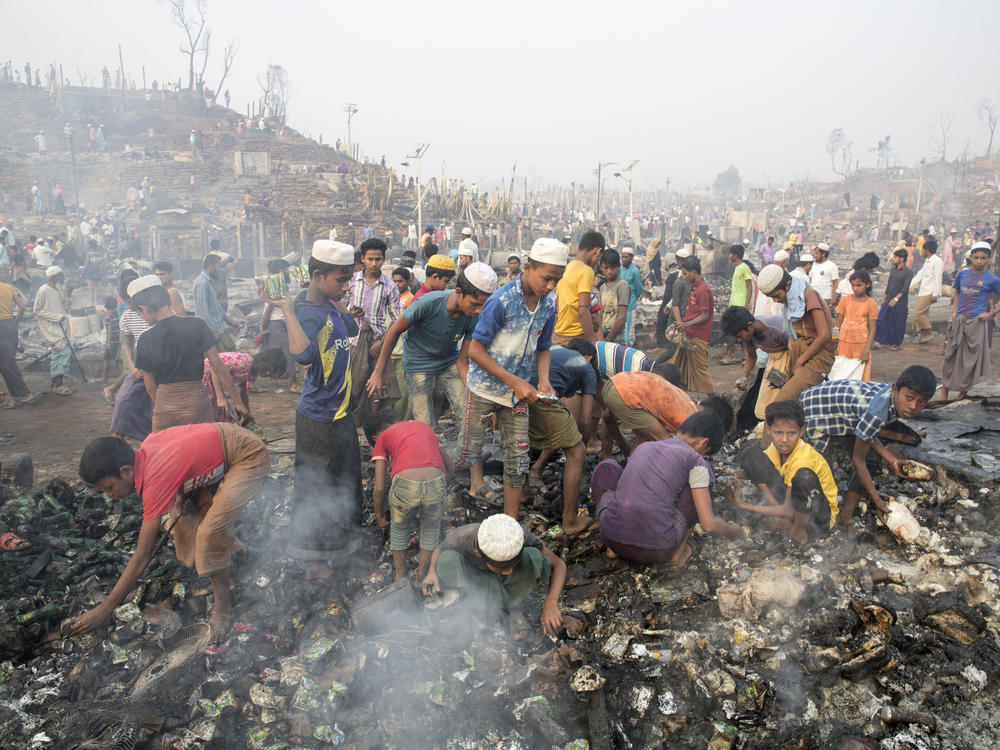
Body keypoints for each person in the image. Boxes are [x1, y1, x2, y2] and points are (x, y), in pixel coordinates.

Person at [72, 423, 270, 642]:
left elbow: (142, 554)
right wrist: (181, 496)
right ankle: (231, 548)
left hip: (247, 456)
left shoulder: (155, 480)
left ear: (126, 471)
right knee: (182, 513)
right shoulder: (146, 449)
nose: (110, 495)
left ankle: (223, 607)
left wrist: (106, 608)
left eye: (108, 487)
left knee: (209, 533)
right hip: (224, 451)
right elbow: (182, 463)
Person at [460, 238, 566, 517]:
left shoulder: (548, 307)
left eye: (557, 280)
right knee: (471, 446)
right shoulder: (501, 301)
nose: (551, 286)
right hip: (484, 388)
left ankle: (510, 518)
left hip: (517, 395)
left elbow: (543, 347)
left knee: (518, 458)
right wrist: (516, 381)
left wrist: (543, 380)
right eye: (547, 279)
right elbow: (475, 350)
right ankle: (474, 485)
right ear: (528, 267)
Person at [279, 240, 360, 580]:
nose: (346, 287)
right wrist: (286, 310)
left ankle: (340, 550)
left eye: (348, 281)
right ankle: (314, 562)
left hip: (340, 415)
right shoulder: (306, 314)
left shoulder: (329, 308)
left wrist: (337, 302)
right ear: (317, 274)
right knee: (316, 488)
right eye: (341, 280)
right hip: (316, 418)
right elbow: (301, 356)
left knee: (345, 483)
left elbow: (353, 329)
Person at [592, 412, 742, 564]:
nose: (702, 456)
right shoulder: (696, 460)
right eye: (705, 452)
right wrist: (733, 531)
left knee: (607, 466)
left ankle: (613, 547)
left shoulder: (644, 446)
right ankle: (679, 553)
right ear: (703, 443)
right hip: (656, 549)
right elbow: (708, 524)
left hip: (610, 536)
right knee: (700, 481)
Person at [801, 365, 935, 530]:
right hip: (815, 412)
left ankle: (845, 518)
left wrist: (892, 460)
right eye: (909, 398)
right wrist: (875, 498)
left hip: (843, 410)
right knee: (818, 471)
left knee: (872, 461)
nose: (914, 406)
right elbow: (859, 459)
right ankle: (808, 520)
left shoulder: (888, 401)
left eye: (921, 402)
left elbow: (869, 433)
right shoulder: (877, 413)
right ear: (895, 390)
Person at [367, 262, 497, 428]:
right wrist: (378, 371)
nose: (480, 310)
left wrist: (471, 393)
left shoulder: (473, 316)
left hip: (448, 361)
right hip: (418, 363)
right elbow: (394, 331)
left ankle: (466, 453)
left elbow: (463, 361)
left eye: (483, 306)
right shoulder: (427, 304)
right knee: (425, 422)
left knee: (470, 413)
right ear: (459, 292)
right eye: (476, 304)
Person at [129, 276, 248, 431]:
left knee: (167, 450)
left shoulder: (146, 339)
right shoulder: (197, 324)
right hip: (196, 401)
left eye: (140, 314)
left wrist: (165, 404)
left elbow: (150, 387)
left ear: (144, 308)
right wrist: (237, 401)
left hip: (166, 406)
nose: (143, 318)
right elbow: (218, 366)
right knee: (202, 447)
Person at [421, 513, 566, 635]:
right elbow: (439, 549)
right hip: (476, 582)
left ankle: (510, 608)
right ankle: (471, 610)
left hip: (506, 584)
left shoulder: (518, 535)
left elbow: (559, 565)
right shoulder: (461, 536)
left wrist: (551, 602)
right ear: (478, 553)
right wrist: (431, 571)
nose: (509, 571)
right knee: (447, 559)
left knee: (533, 555)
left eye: (512, 565)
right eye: (502, 567)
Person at [730, 400, 838, 544]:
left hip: (818, 518)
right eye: (778, 433)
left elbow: (789, 509)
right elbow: (761, 470)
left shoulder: (803, 460)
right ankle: (778, 513)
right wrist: (729, 474)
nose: (784, 440)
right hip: (792, 501)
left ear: (802, 431)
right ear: (768, 429)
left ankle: (798, 530)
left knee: (804, 477)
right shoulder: (776, 449)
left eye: (792, 433)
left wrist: (744, 505)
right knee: (750, 453)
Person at [365, 409, 449, 582]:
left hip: (405, 487)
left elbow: (379, 487)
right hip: (437, 481)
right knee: (431, 528)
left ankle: (400, 577)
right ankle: (421, 576)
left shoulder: (382, 438)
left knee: (400, 529)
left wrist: (380, 517)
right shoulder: (424, 427)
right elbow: (449, 465)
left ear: (374, 437)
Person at [525, 343, 597, 535]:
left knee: (525, 442)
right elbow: (586, 418)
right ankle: (570, 522)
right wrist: (582, 443)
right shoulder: (588, 369)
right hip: (540, 393)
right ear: (589, 357)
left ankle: (524, 492)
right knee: (577, 452)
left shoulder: (557, 351)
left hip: (517, 386)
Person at [756, 264, 836, 403]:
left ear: (788, 285)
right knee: (796, 401)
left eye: (776, 296)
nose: (775, 300)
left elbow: (823, 335)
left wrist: (800, 361)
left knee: (783, 401)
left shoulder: (808, 294)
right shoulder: (790, 301)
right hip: (801, 350)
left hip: (818, 354)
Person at [940, 242, 1000, 401]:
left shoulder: (992, 279)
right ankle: (944, 393)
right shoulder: (963, 274)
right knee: (950, 356)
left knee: (969, 361)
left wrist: (991, 314)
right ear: (971, 257)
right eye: (976, 257)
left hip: (976, 324)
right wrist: (954, 312)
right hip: (959, 321)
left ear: (988, 259)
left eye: (983, 258)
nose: (979, 261)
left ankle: (962, 393)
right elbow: (958, 291)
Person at [349, 238, 402, 409]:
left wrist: (382, 341)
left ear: (383, 260)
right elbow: (338, 305)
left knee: (381, 391)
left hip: (377, 343)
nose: (374, 263)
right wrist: (349, 313)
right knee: (354, 388)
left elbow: (396, 320)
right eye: (370, 259)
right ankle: (355, 427)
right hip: (353, 342)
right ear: (362, 259)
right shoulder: (351, 281)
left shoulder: (390, 286)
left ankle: (374, 428)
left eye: (377, 259)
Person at [110, 275, 154, 440]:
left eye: (131, 301)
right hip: (140, 369)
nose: (129, 305)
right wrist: (131, 366)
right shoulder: (127, 316)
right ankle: (116, 446)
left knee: (155, 410)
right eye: (127, 302)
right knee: (123, 402)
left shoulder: (153, 312)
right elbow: (126, 344)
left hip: (159, 370)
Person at [670, 256, 714, 394]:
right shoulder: (694, 288)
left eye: (685, 273)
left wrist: (685, 324)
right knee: (676, 368)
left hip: (698, 336)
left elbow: (705, 315)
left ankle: (716, 399)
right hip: (689, 335)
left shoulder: (703, 290)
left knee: (701, 372)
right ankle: (681, 397)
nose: (683, 277)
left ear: (694, 272)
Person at [203, 349, 284, 422]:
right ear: (267, 365)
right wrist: (220, 397)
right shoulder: (242, 363)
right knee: (214, 413)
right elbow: (215, 370)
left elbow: (244, 392)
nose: (270, 375)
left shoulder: (252, 373)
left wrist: (247, 412)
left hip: (214, 382)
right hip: (205, 377)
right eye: (272, 371)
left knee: (225, 414)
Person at [553, 230, 605, 345]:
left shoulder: (567, 268)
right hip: (576, 337)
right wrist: (592, 343)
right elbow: (583, 309)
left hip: (558, 335)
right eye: (599, 259)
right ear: (598, 251)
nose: (597, 262)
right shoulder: (586, 271)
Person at [33, 266, 73, 395]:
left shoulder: (59, 290)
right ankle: (58, 385)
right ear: (55, 277)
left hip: (61, 326)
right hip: (51, 327)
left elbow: (65, 307)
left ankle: (55, 385)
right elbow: (37, 310)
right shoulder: (43, 290)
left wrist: (68, 294)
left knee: (59, 355)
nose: (63, 278)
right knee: (63, 353)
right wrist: (56, 317)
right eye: (61, 276)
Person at [835, 270, 879, 381]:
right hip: (843, 343)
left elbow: (872, 329)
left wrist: (866, 350)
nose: (855, 288)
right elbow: (838, 324)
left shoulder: (871, 304)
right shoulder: (845, 300)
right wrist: (834, 343)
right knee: (840, 373)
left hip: (860, 345)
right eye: (853, 285)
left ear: (867, 285)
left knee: (859, 376)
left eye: (859, 285)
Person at [0, 277, 33, 407]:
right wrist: (15, 322)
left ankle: (23, 394)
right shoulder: (8, 287)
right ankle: (8, 396)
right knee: (7, 362)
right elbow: (22, 307)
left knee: (7, 364)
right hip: (10, 325)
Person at [193, 253, 236, 351]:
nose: (220, 270)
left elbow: (216, 307)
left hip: (218, 331)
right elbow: (203, 312)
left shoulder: (209, 282)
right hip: (212, 334)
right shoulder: (202, 283)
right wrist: (212, 331)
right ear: (211, 267)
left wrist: (230, 322)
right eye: (218, 267)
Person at [721, 244, 755, 364]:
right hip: (735, 303)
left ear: (736, 255)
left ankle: (743, 356)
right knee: (735, 331)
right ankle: (738, 355)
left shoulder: (744, 267)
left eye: (731, 253)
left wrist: (746, 306)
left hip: (741, 305)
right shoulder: (737, 267)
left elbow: (749, 287)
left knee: (742, 332)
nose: (729, 256)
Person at [874, 248, 913, 350]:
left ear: (901, 259)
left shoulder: (908, 272)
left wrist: (896, 299)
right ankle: (879, 341)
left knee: (898, 322)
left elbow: (905, 288)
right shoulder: (893, 270)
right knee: (882, 319)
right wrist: (885, 298)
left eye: (895, 257)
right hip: (889, 298)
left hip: (900, 301)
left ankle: (896, 343)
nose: (893, 259)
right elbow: (889, 285)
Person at [908, 238, 944, 345]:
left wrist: (936, 294)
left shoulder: (937, 261)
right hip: (923, 291)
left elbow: (938, 279)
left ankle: (929, 332)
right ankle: (923, 335)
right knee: (923, 313)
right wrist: (908, 285)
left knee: (918, 313)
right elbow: (920, 275)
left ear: (926, 250)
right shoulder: (927, 261)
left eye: (923, 250)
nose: (922, 252)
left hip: (929, 291)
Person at [598, 249, 630, 343]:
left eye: (612, 268)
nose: (609, 271)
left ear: (618, 267)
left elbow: (622, 317)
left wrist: (608, 339)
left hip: (616, 335)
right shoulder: (603, 287)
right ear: (601, 267)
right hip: (604, 332)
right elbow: (600, 313)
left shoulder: (622, 286)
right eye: (606, 268)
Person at [619, 247, 643, 344]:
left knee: (629, 328)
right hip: (620, 302)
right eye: (622, 257)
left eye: (626, 257)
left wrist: (633, 297)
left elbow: (639, 288)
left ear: (631, 258)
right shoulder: (620, 269)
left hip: (630, 303)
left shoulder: (635, 271)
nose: (624, 259)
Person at [809, 243, 838, 314]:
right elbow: (810, 280)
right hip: (814, 297)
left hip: (825, 297)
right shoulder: (813, 265)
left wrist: (834, 298)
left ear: (823, 254)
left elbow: (835, 283)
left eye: (816, 253)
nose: (815, 256)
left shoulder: (831, 266)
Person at [101, 296, 120, 381]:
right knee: (114, 358)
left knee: (107, 358)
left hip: (111, 340)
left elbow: (109, 329)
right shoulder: (118, 314)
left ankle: (105, 376)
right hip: (117, 339)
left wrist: (107, 341)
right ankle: (114, 376)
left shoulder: (108, 317)